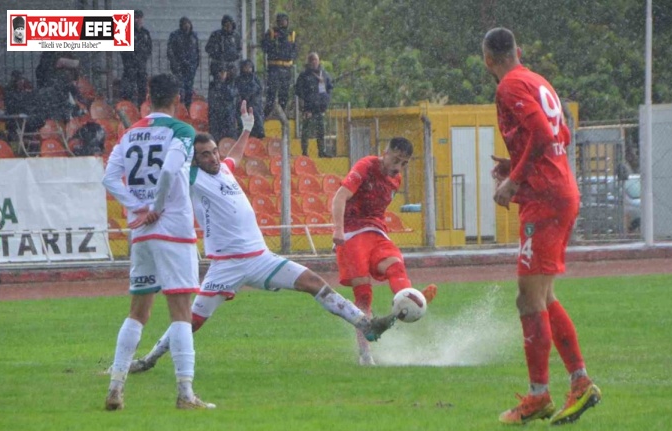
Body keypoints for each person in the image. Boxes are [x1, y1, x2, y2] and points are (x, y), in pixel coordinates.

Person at [126, 102, 396, 373]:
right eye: (205, 155)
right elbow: (168, 169)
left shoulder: (225, 169)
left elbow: (236, 156)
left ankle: (366, 325)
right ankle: (149, 359)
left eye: (214, 152)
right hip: (226, 264)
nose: (213, 158)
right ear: (195, 160)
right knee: (191, 321)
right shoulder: (192, 176)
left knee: (313, 282)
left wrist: (246, 129)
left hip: (260, 258)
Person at [482, 27, 601, 425]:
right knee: (543, 298)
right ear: (518, 50)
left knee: (528, 300)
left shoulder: (509, 86)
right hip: (560, 190)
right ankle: (580, 383)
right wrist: (513, 166)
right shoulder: (536, 79)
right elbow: (560, 134)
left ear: (487, 59)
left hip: (544, 199)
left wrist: (514, 181)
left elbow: (542, 132)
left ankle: (539, 396)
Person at [101, 73, 214, 410]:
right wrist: (157, 207)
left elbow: (108, 178)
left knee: (138, 312)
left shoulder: (131, 132)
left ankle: (116, 386)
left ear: (147, 99)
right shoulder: (182, 131)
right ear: (178, 100)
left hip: (141, 233)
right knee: (180, 312)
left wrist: (137, 207)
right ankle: (185, 394)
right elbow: (167, 171)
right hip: (172, 230)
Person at [331, 137, 438, 366]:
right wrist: (338, 231)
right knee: (363, 295)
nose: (398, 167)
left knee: (395, 266)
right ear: (385, 152)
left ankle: (409, 300)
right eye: (396, 159)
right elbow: (340, 197)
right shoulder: (366, 166)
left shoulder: (395, 180)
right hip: (351, 233)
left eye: (404, 163)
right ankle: (365, 353)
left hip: (377, 232)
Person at [295, 52, 333, 157]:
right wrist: (305, 105)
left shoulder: (324, 74)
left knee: (321, 130)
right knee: (306, 131)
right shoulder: (304, 75)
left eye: (315, 60)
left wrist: (326, 99)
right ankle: (305, 152)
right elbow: (298, 90)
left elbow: (329, 87)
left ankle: (321, 151)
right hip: (309, 108)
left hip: (320, 107)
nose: (314, 62)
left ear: (319, 61)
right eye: (311, 60)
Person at [261, 13, 297, 117]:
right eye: (280, 20)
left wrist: (291, 56)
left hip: (287, 67)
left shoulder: (291, 34)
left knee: (284, 93)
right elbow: (264, 46)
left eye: (284, 20)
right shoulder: (272, 32)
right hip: (274, 67)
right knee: (271, 92)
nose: (283, 22)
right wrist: (274, 49)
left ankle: (282, 112)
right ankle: (267, 114)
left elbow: (295, 49)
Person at [120, 10, 152, 107]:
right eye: (136, 18)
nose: (138, 20)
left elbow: (149, 47)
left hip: (141, 65)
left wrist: (143, 58)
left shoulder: (145, 33)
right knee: (128, 88)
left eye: (139, 18)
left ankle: (140, 107)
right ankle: (128, 106)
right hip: (130, 65)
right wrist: (129, 60)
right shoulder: (127, 31)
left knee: (142, 88)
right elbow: (123, 49)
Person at [167, 17, 200, 109]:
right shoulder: (175, 36)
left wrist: (195, 64)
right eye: (185, 23)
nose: (187, 25)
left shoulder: (193, 36)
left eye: (188, 23)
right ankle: (180, 109)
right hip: (179, 67)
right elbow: (170, 51)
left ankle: (188, 108)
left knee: (189, 89)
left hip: (190, 67)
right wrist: (175, 64)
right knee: (180, 89)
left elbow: (197, 51)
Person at [234, 59, 265, 139]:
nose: (248, 69)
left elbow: (259, 91)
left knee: (256, 119)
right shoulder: (238, 80)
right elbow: (237, 91)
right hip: (242, 104)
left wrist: (252, 97)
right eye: (246, 67)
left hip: (253, 104)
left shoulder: (255, 79)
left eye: (249, 67)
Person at [205, 15, 242, 82]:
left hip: (231, 64)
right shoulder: (216, 34)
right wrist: (217, 55)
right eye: (226, 25)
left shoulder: (236, 35)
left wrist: (236, 55)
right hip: (218, 64)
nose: (228, 27)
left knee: (232, 83)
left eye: (230, 24)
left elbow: (239, 48)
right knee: (219, 84)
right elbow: (208, 48)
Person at [207, 64, 238, 142]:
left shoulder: (231, 84)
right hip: (217, 115)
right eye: (220, 72)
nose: (223, 74)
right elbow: (213, 100)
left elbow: (232, 95)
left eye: (224, 72)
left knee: (230, 137)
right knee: (216, 137)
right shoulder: (213, 85)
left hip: (229, 114)